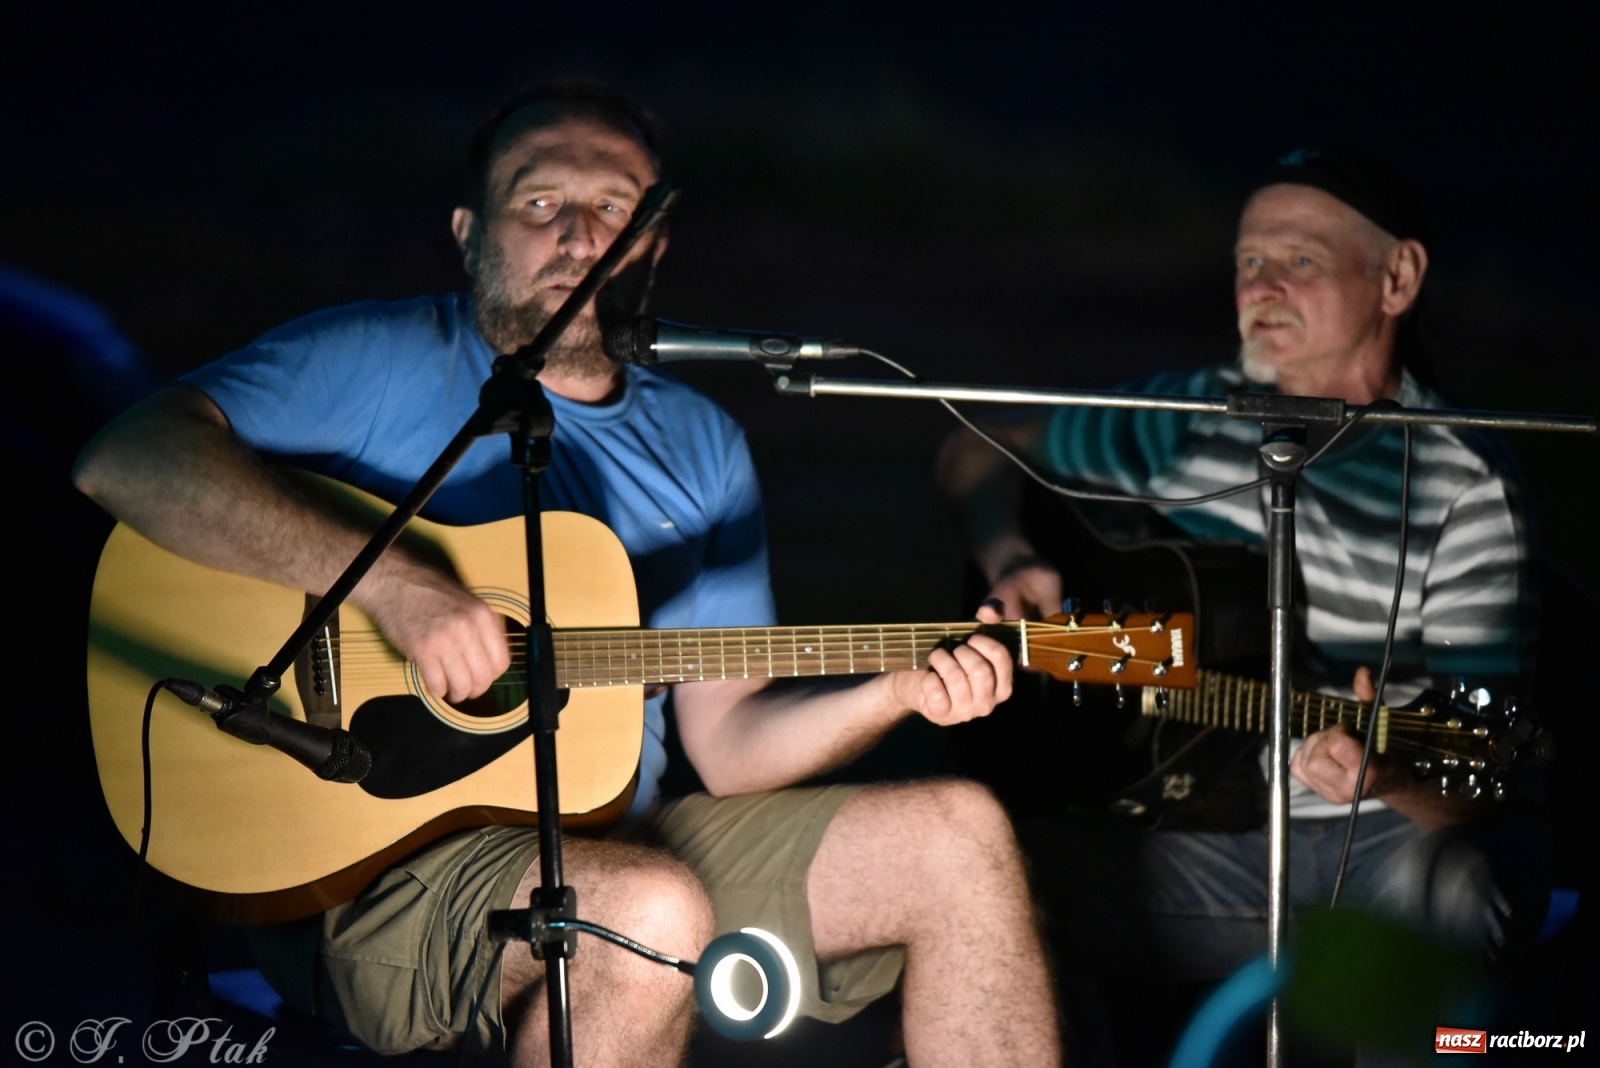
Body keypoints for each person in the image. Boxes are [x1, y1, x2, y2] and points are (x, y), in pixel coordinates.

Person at [73, 81, 1060, 1067]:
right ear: (469, 232)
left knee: (959, 836)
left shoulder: (700, 440)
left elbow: (730, 745)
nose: (579, 236)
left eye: (613, 208)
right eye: (540, 203)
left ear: (655, 245)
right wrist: (396, 587)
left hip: (628, 833)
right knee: (646, 912)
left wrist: (896, 690)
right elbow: (128, 459)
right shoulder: (377, 358)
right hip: (376, 866)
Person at [937, 148, 1550, 1060]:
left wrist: (1386, 775)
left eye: (1301, 261)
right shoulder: (1190, 418)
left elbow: (1488, 770)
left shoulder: (1461, 485)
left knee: (1449, 892)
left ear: (1398, 277)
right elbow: (980, 446)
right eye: (1248, 263)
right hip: (1205, 830)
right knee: (985, 880)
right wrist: (1010, 551)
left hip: (1385, 845)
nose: (1264, 285)